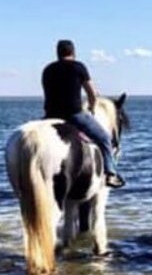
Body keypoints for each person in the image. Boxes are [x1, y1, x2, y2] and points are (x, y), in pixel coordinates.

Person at [42, 39, 124, 189]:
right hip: (74, 115)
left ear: (57, 53)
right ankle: (111, 174)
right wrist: (92, 107)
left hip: (50, 116)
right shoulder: (78, 67)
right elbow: (92, 93)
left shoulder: (48, 69)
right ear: (73, 52)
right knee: (105, 138)